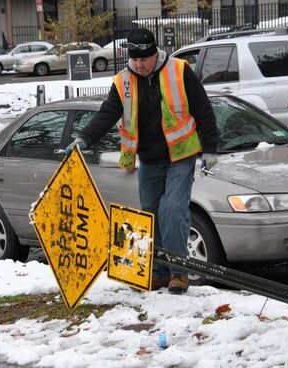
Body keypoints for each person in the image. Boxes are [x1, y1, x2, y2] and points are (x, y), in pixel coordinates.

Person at [67, 28, 219, 294]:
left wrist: (210, 148)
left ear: (155, 53)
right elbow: (106, 115)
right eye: (134, 59)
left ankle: (179, 272)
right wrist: (83, 139)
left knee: (172, 210)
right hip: (148, 159)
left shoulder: (179, 71)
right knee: (151, 213)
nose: (139, 64)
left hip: (180, 156)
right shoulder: (123, 81)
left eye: (144, 58)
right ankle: (159, 272)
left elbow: (203, 109)